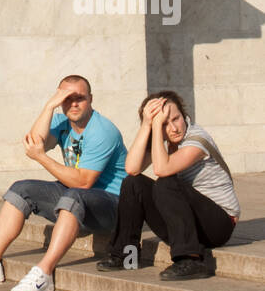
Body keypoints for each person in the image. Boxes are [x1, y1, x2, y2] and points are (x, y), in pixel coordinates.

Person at [0, 75, 127, 291]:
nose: (73, 104)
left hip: (113, 205)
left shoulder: (102, 130)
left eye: (79, 98)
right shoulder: (61, 121)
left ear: (90, 99)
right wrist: (49, 106)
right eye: (66, 98)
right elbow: (34, 142)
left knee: (74, 195)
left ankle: (44, 273)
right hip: (76, 194)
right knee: (21, 189)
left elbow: (83, 181)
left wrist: (42, 157)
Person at [97, 90, 239, 280]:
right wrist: (148, 125)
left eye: (176, 119)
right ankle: (125, 255)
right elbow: (131, 168)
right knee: (133, 183)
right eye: (164, 123)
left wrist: (157, 127)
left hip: (218, 225)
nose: (173, 128)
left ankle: (192, 260)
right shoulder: (162, 140)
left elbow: (163, 169)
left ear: (184, 115)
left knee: (165, 182)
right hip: (189, 224)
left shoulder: (197, 139)